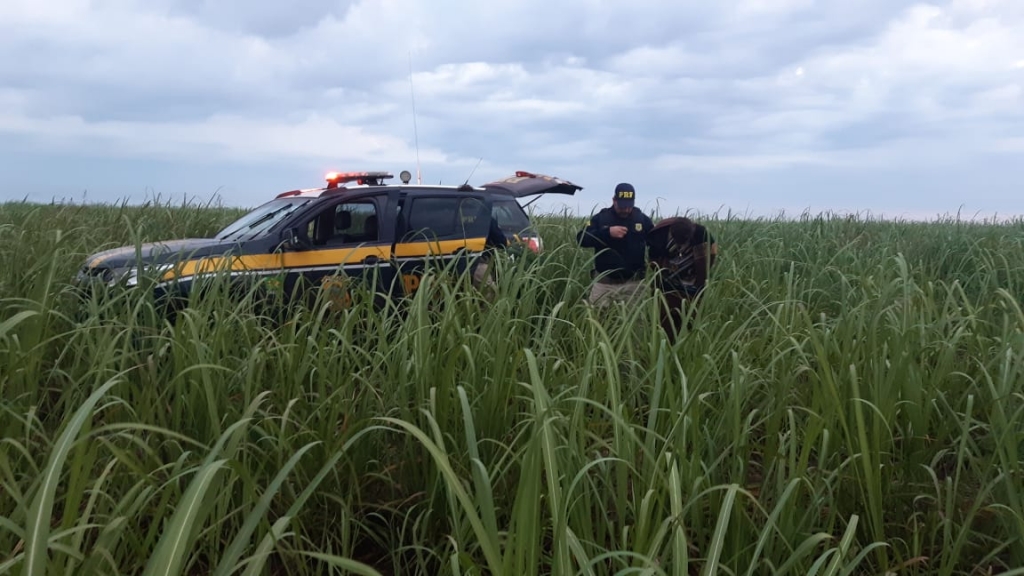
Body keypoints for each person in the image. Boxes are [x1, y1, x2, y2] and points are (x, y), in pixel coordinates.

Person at [577, 183, 654, 307]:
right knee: (596, 319)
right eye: (622, 206)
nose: (626, 210)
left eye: (629, 206)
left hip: (634, 284)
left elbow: (655, 242)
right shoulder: (599, 218)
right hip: (604, 284)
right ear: (614, 200)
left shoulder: (642, 219)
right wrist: (607, 233)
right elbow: (581, 238)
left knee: (635, 323)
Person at [647, 216, 718, 340]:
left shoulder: (700, 233)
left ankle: (686, 345)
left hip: (692, 284)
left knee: (690, 321)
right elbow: (653, 262)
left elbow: (711, 256)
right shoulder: (659, 235)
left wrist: (699, 285)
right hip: (667, 283)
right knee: (665, 321)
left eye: (685, 240)